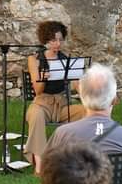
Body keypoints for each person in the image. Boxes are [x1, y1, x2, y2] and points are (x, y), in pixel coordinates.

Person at [24, 21, 85, 174]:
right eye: (53, 40)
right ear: (45, 40)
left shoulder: (66, 60)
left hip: (61, 104)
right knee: (36, 116)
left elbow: (77, 84)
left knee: (87, 112)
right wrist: (43, 78)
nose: (57, 44)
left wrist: (89, 100)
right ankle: (39, 164)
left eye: (60, 40)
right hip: (41, 102)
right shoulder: (35, 59)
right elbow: (37, 91)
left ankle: (77, 158)